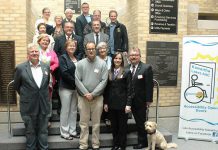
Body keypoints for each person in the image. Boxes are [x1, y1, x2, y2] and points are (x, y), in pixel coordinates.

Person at [14, 43, 50, 150]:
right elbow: (17, 86)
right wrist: (28, 96)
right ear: (28, 54)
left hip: (43, 105)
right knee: (30, 131)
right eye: (32, 52)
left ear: (39, 53)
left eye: (36, 51)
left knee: (43, 131)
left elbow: (46, 84)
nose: (34, 53)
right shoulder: (20, 68)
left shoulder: (46, 67)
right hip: (28, 106)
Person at [75, 42, 108, 150]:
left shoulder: (102, 64)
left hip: (97, 98)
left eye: (93, 48)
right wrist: (86, 94)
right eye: (88, 49)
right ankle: (83, 144)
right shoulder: (80, 64)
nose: (91, 50)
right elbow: (77, 80)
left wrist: (93, 94)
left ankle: (95, 144)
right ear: (85, 51)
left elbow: (104, 81)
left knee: (96, 123)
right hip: (83, 98)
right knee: (83, 123)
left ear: (96, 50)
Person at [104, 52, 132, 150]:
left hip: (122, 105)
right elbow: (106, 89)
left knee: (122, 127)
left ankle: (122, 145)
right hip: (111, 104)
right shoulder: (109, 71)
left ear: (122, 60)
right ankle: (115, 145)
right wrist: (106, 103)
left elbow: (129, 89)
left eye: (120, 59)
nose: (117, 60)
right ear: (113, 60)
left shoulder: (127, 72)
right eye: (116, 58)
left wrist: (128, 104)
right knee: (114, 127)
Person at [128, 47, 154, 149]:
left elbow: (149, 85)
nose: (133, 57)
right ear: (129, 57)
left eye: (135, 55)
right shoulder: (126, 68)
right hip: (128, 101)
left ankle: (143, 142)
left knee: (141, 122)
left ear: (140, 56)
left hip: (140, 101)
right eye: (131, 55)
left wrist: (148, 100)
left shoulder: (146, 68)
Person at [37, 33, 59, 127]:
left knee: (48, 98)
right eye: (43, 40)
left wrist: (50, 68)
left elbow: (56, 63)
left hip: (49, 78)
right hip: (37, 78)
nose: (45, 42)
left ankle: (48, 118)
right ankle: (40, 118)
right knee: (39, 99)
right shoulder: (35, 51)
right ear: (39, 42)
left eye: (47, 41)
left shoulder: (52, 52)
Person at [59, 40, 79, 140]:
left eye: (73, 46)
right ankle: (65, 132)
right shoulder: (63, 57)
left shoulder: (77, 58)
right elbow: (64, 73)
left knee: (74, 110)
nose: (72, 47)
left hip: (75, 89)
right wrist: (77, 82)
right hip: (65, 88)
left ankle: (73, 131)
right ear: (66, 47)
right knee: (65, 110)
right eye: (70, 46)